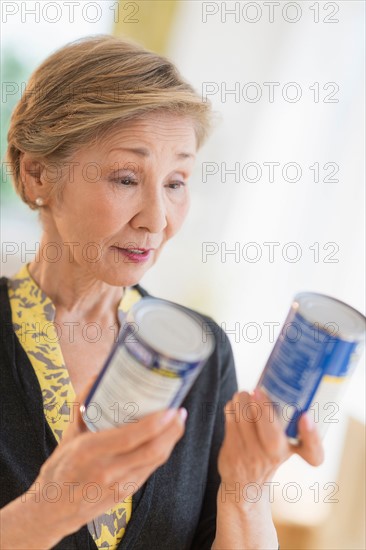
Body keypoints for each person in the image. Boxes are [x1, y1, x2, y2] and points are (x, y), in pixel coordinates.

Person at [0, 35, 324, 550]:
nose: (157, 220)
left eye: (176, 182)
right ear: (37, 171)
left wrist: (247, 488)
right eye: (127, 178)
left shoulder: (205, 352)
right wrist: (50, 509)